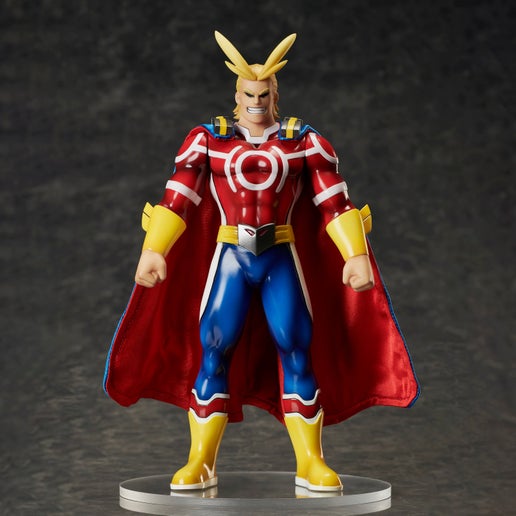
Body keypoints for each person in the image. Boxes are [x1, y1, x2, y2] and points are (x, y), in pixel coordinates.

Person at [104, 31, 419, 493]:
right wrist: (155, 248)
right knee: (214, 346)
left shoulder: (304, 142)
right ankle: (200, 460)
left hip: (279, 253)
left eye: (264, 94)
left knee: (296, 344)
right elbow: (179, 198)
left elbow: (334, 202)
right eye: (248, 94)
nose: (256, 102)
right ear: (236, 95)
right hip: (230, 255)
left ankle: (311, 461)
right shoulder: (208, 140)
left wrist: (354, 255)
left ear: (275, 94)